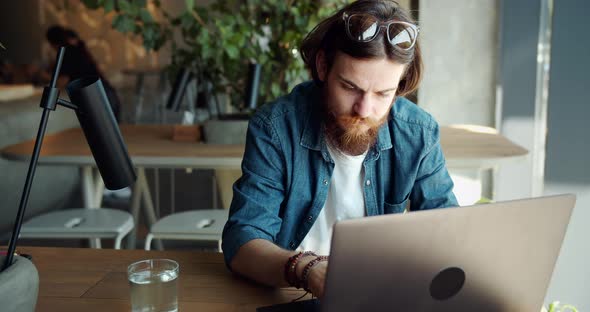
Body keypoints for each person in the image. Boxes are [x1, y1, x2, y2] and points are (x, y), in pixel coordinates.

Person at [222, 0, 458, 299]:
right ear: (323, 67)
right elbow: (243, 241)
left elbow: (449, 233)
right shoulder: (276, 128)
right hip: (291, 292)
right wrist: (306, 269)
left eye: (383, 94)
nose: (364, 109)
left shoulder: (419, 133)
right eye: (350, 87)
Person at [44, 25, 121, 121]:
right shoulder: (78, 50)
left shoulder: (67, 53)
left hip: (97, 98)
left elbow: (62, 82)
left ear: (52, 43)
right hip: (106, 94)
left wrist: (41, 74)